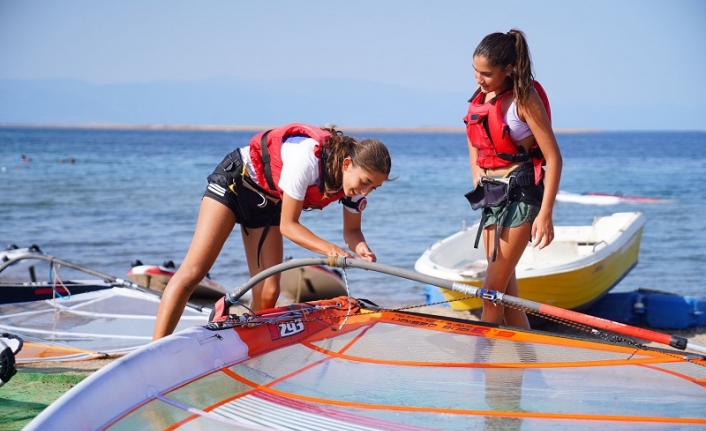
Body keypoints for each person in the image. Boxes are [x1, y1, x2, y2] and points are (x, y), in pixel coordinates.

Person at [153, 123, 392, 339]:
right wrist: (330, 250)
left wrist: (361, 248)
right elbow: (289, 226)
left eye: (375, 187)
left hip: (268, 203)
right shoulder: (307, 159)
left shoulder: (354, 185)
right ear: (347, 165)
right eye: (365, 181)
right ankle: (156, 348)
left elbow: (352, 232)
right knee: (193, 273)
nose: (367, 191)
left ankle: (250, 346)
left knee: (269, 290)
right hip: (236, 183)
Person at [463, 29, 562, 328]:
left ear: (509, 69)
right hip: (492, 196)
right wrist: (477, 178)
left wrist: (545, 214)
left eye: (487, 73)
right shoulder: (482, 97)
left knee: (491, 294)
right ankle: (524, 369)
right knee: (506, 296)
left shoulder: (524, 99)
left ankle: (481, 367)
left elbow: (554, 158)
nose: (479, 79)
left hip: (522, 195)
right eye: (475, 71)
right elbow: (473, 140)